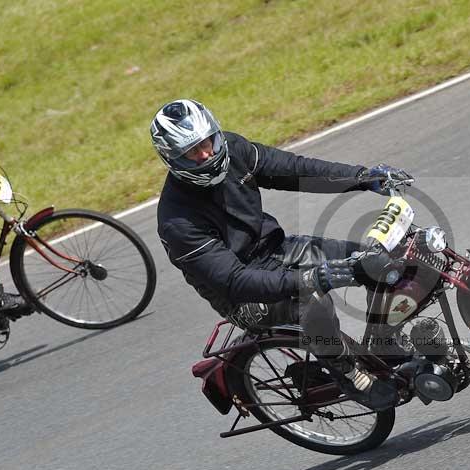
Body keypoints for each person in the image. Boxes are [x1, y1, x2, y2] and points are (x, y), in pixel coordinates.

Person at [152, 99, 411, 411]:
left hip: (277, 249)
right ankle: (345, 371)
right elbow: (234, 280)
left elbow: (294, 170)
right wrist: (311, 278)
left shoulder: (233, 149)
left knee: (375, 259)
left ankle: (384, 343)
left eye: (208, 141)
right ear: (173, 159)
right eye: (193, 152)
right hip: (243, 295)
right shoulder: (177, 221)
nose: (206, 153)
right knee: (311, 296)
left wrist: (362, 177)